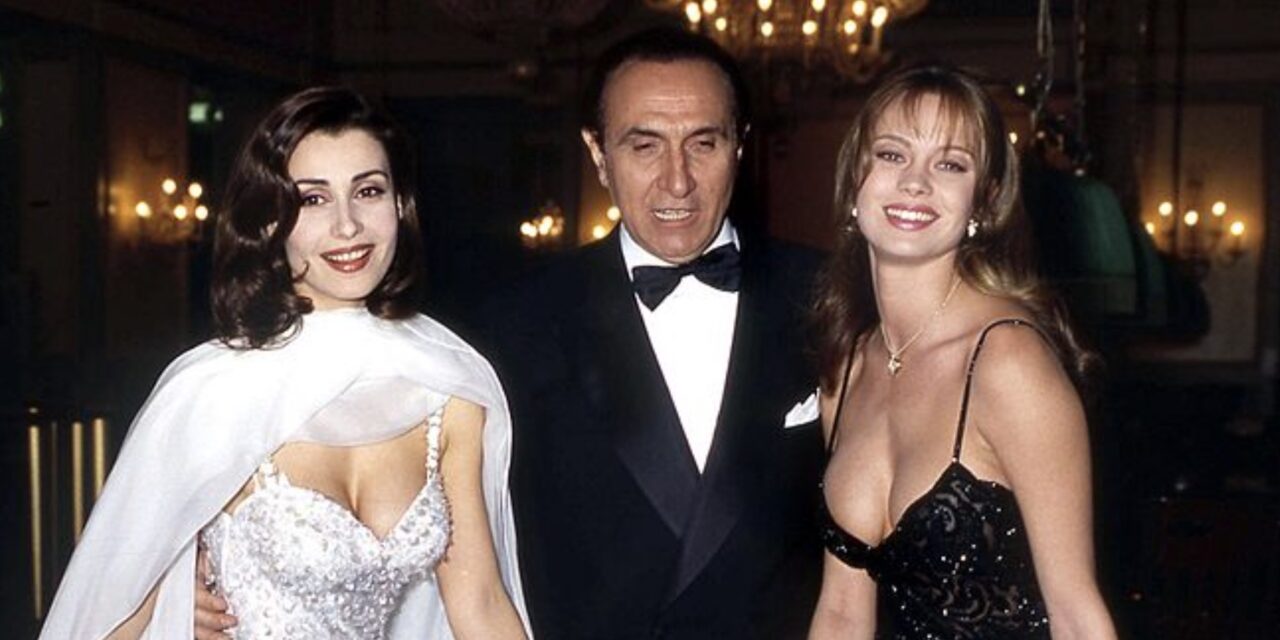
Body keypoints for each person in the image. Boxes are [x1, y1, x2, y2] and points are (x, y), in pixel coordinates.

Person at [40, 87, 529, 640]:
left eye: (368, 191)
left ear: (399, 204)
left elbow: (481, 604)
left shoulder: (449, 388)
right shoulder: (214, 391)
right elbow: (107, 615)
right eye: (313, 199)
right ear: (271, 220)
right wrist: (172, 603)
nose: (348, 226)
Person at [472, 28, 825, 638]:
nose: (677, 181)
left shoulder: (829, 298)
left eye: (704, 143)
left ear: (740, 146)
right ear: (598, 154)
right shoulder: (513, 323)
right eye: (645, 146)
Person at [807, 63, 1117, 639]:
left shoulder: (1008, 362)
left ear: (984, 201)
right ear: (854, 181)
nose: (915, 182)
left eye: (950, 164)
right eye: (892, 155)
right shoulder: (846, 368)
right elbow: (842, 611)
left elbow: (1077, 617)